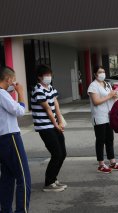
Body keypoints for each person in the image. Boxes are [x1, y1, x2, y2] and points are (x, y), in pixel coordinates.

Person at [30, 64, 67, 192]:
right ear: (39, 77)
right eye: (46, 75)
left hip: (54, 125)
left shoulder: (50, 87)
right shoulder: (38, 90)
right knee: (56, 153)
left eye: (50, 74)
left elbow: (56, 105)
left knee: (63, 153)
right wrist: (56, 125)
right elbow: (47, 110)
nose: (49, 77)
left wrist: (60, 121)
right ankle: (49, 183)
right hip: (45, 126)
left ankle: (53, 178)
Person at [0, 66, 31, 213]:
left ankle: (6, 209)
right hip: (11, 136)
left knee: (7, 177)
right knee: (24, 178)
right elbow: (19, 111)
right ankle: (21, 210)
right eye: (13, 79)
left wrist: (12, 90)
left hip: (2, 139)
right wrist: (21, 93)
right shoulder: (1, 94)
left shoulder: (3, 93)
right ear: (8, 79)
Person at [88, 66, 118, 173]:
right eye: (100, 72)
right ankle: (101, 164)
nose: (102, 74)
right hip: (99, 117)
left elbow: (112, 97)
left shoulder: (107, 84)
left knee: (110, 139)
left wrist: (114, 96)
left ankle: (112, 162)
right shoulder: (93, 86)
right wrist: (109, 96)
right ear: (95, 74)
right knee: (100, 140)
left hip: (108, 116)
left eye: (103, 71)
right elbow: (96, 101)